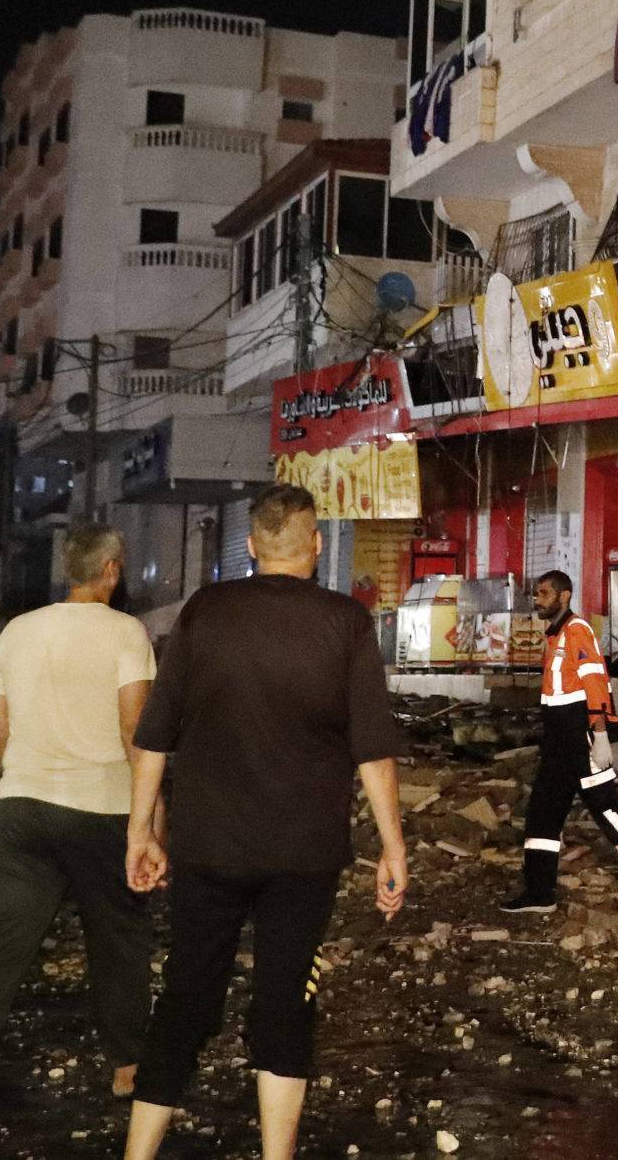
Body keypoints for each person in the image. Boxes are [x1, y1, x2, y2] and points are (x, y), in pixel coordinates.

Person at [121, 485, 408, 1160]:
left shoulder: (205, 612)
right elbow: (373, 747)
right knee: (285, 1000)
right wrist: (393, 847)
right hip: (303, 853)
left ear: (250, 546)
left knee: (186, 995)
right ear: (314, 547)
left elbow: (153, 736)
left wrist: (141, 830)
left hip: (207, 843)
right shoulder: (346, 621)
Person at [0, 525, 156, 1138]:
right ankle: (128, 1068)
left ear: (68, 570)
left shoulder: (20, 631)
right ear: (111, 568)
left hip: (21, 807)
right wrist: (151, 823)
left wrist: (26, 774)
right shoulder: (126, 633)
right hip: (101, 808)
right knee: (119, 942)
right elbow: (136, 732)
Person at [503, 570, 618, 913]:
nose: (537, 599)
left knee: (605, 809)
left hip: (577, 736)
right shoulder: (555, 634)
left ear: (564, 596)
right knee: (544, 812)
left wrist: (600, 736)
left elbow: (596, 684)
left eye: (543, 593)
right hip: (560, 739)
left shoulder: (577, 630)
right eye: (537, 593)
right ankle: (539, 892)